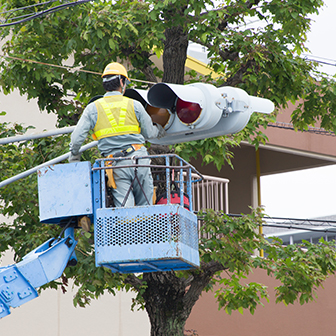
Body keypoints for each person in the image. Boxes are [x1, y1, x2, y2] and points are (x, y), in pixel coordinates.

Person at [69, 62, 165, 207]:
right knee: (146, 207)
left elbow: (76, 139)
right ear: (122, 81)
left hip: (116, 164)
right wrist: (160, 129)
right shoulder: (134, 105)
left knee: (126, 211)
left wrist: (74, 155)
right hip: (140, 159)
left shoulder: (92, 108)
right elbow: (150, 133)